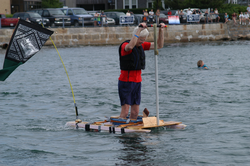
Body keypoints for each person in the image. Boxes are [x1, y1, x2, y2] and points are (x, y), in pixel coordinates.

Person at [118, 22, 166, 120]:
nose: (142, 42)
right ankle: (121, 128)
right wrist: (139, 30)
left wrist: (161, 31)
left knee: (135, 112)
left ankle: (133, 132)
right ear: (136, 36)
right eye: (141, 39)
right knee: (126, 111)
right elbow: (130, 47)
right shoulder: (125, 46)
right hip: (126, 82)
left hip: (137, 82)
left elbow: (159, 45)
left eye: (144, 40)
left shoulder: (142, 46)